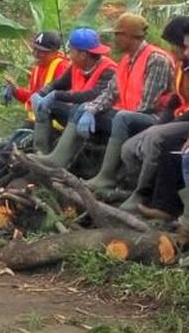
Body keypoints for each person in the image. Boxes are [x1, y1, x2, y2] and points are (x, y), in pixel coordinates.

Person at [38, 14, 174, 174]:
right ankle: (57, 158)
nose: (114, 39)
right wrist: (90, 110)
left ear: (131, 36)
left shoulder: (156, 59)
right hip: (126, 116)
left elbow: (147, 105)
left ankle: (105, 176)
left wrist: (95, 110)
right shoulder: (126, 60)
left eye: (118, 34)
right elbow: (109, 94)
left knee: (120, 116)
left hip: (152, 120)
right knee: (83, 108)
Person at [113, 17, 189, 213]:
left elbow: (148, 104)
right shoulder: (183, 66)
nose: (174, 50)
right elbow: (175, 100)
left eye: (176, 45)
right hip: (178, 117)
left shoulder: (156, 58)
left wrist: (160, 127)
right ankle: (138, 191)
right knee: (130, 147)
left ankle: (147, 196)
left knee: (161, 141)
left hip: (177, 119)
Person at [30, 28, 116, 153]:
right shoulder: (76, 66)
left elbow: (92, 95)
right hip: (78, 117)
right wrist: (40, 94)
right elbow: (58, 84)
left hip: (99, 118)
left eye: (71, 51)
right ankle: (40, 151)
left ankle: (59, 158)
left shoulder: (109, 70)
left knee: (78, 107)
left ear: (83, 55)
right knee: (47, 105)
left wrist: (56, 95)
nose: (69, 55)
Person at [1, 31, 70, 127]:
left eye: (42, 51)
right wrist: (15, 90)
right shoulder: (38, 68)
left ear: (54, 52)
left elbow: (60, 102)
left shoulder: (62, 66)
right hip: (36, 122)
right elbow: (32, 97)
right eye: (35, 49)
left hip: (54, 125)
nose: (36, 54)